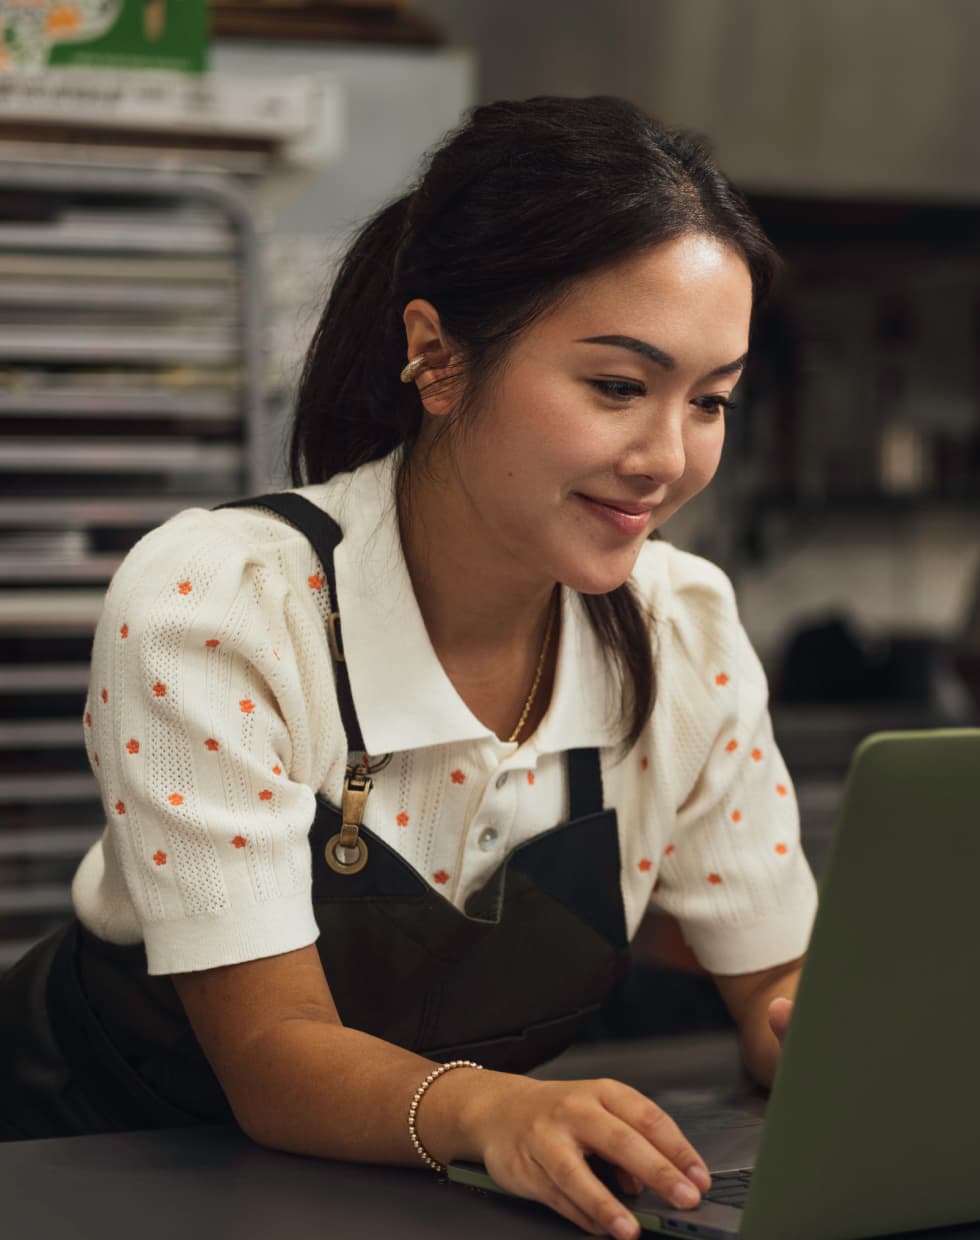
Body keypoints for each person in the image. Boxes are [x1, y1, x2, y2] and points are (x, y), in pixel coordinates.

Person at [0, 95, 817, 1240]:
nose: (667, 460)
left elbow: (778, 991)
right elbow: (275, 1058)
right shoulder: (223, 602)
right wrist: (496, 1112)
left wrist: (842, 1046)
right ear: (436, 356)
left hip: (399, 1202)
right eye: (618, 387)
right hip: (86, 1181)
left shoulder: (680, 626)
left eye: (712, 400)